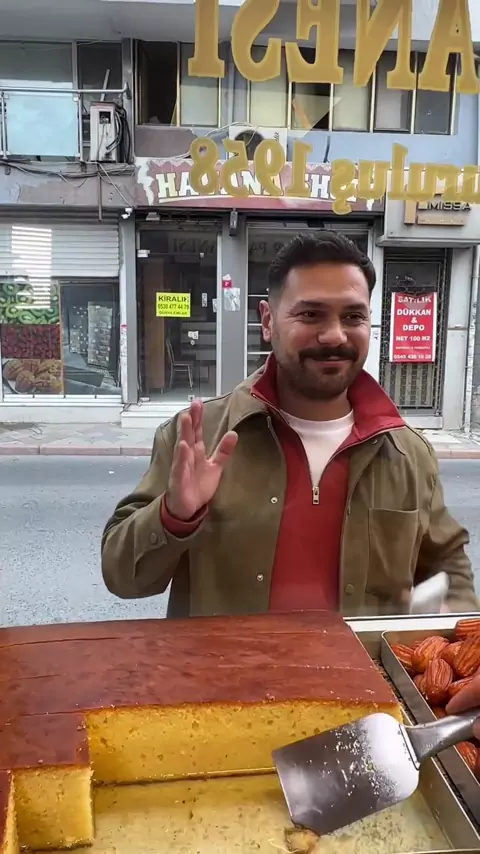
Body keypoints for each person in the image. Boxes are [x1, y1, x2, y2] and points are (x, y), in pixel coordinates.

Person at [101, 232, 479, 618]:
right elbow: (122, 578)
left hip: (362, 661)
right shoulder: (200, 438)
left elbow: (448, 564)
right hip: (225, 661)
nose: (334, 335)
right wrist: (174, 516)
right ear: (268, 321)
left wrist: (458, 626)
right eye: (311, 314)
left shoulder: (408, 454)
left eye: (353, 316)